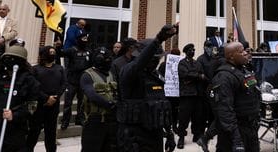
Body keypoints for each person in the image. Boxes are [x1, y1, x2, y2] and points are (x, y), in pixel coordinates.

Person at [117, 24, 178, 152]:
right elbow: (139, 63)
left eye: (158, 59)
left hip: (155, 133)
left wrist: (169, 133)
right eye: (154, 59)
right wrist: (158, 40)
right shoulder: (129, 72)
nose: (156, 62)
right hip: (135, 135)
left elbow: (163, 105)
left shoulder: (156, 76)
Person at [211, 41, 260, 152]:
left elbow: (254, 93)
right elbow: (225, 111)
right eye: (241, 51)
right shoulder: (223, 76)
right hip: (234, 132)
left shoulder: (245, 71)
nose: (245, 53)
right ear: (231, 56)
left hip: (250, 129)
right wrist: (236, 139)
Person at [27, 46, 66, 152]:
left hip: (54, 105)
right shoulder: (35, 69)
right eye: (50, 52)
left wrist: (55, 97)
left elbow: (63, 84)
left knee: (51, 133)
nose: (53, 54)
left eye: (54, 52)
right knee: (34, 131)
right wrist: (46, 98)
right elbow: (33, 86)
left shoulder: (59, 68)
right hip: (39, 105)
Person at [80, 46, 118, 152]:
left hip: (110, 120)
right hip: (94, 120)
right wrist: (110, 104)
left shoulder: (111, 74)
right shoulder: (87, 75)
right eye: (106, 59)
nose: (109, 61)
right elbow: (91, 95)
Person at [59, 30, 91, 129]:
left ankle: (79, 119)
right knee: (68, 103)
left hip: (83, 81)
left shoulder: (88, 51)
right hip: (72, 81)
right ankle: (65, 121)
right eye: (83, 39)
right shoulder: (72, 50)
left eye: (86, 39)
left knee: (81, 103)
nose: (85, 40)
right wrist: (58, 46)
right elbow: (61, 54)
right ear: (78, 40)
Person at [176, 43, 206, 148]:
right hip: (186, 95)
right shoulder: (182, 63)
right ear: (186, 51)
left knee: (197, 117)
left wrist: (193, 76)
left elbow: (202, 75)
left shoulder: (197, 63)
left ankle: (196, 135)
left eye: (193, 50)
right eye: (190, 50)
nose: (192, 51)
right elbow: (185, 74)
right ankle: (181, 137)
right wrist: (196, 75)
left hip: (197, 94)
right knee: (184, 118)